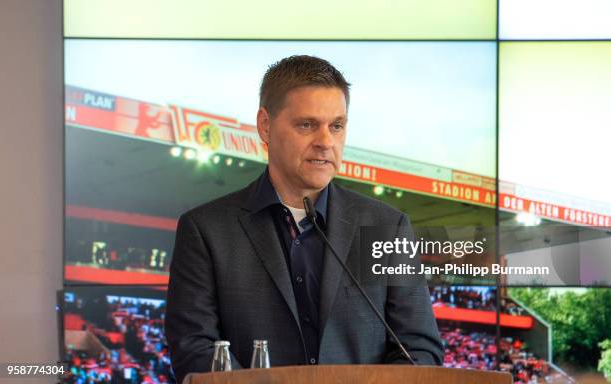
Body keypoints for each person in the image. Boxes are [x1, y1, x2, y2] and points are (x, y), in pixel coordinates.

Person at [165, 55, 443, 384]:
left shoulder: (387, 227)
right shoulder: (206, 230)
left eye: (336, 126)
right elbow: (193, 348)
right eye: (307, 124)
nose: (326, 142)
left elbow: (420, 350)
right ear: (265, 125)